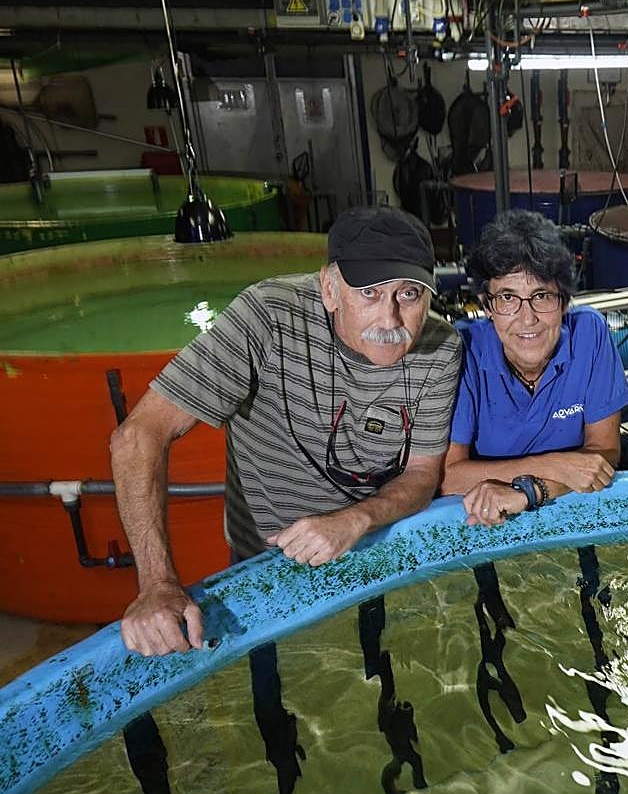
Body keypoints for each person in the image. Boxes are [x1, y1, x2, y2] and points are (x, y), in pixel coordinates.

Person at [113, 206, 462, 656]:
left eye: (409, 295)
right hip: (265, 556)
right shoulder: (267, 316)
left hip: (378, 541)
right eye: (370, 293)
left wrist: (354, 520)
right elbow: (138, 436)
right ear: (330, 289)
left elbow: (421, 475)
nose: (391, 319)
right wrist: (158, 584)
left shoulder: (441, 348)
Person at [441, 209, 628, 523]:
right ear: (487, 306)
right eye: (507, 298)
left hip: (563, 506)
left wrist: (530, 491)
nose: (527, 318)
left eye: (541, 296)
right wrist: (554, 466)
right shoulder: (464, 352)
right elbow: (449, 478)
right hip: (485, 516)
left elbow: (604, 454)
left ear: (565, 301)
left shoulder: (590, 334)